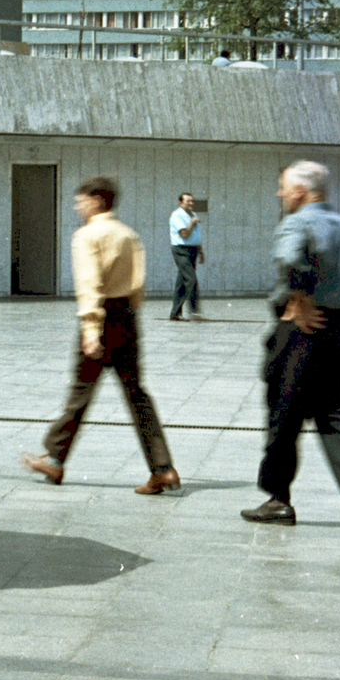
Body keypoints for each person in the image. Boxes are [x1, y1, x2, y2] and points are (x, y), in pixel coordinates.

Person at [241, 160, 340, 536]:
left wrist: (301, 295)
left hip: (301, 332)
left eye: (283, 187)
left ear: (301, 192)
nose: (279, 194)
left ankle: (278, 499)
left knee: (284, 416)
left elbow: (290, 259)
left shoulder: (298, 222)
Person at [20, 176, 180, 495]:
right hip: (127, 319)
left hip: (101, 318)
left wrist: (91, 329)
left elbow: (89, 284)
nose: (77, 207)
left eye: (80, 201)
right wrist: (128, 317)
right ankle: (163, 469)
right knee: (137, 394)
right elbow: (138, 284)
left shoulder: (87, 235)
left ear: (95, 200)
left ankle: (54, 459)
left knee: (80, 393)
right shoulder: (128, 235)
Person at [167, 192, 205, 322]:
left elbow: (196, 236)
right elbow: (184, 234)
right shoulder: (176, 216)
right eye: (188, 201)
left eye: (192, 201)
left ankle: (175, 313)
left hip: (193, 250)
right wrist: (192, 222)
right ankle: (194, 310)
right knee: (191, 279)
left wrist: (201, 251)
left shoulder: (193, 215)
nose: (191, 203)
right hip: (181, 250)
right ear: (180, 203)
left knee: (182, 283)